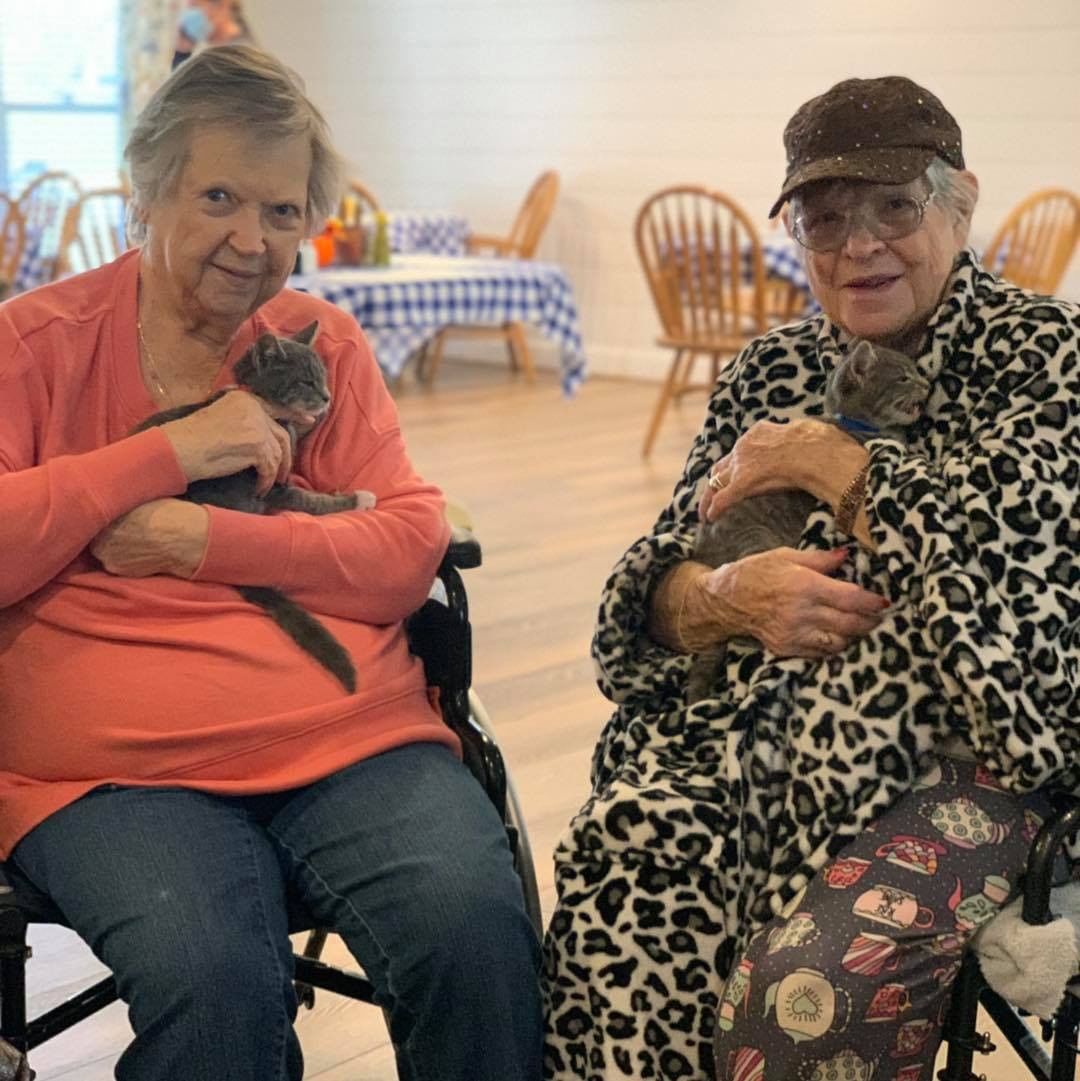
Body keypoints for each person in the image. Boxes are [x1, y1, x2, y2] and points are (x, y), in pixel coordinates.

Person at [0, 45, 542, 1081]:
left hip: (351, 740)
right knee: (215, 983)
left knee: (473, 928)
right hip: (111, 774)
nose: (252, 241)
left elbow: (401, 548)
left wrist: (201, 538)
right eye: (217, 197)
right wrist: (168, 453)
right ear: (146, 190)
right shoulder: (32, 346)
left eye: (284, 212)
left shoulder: (317, 346)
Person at [543, 75, 1078, 1081]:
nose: (859, 245)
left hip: (967, 766)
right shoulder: (769, 369)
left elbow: (1018, 611)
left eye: (894, 208)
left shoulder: (1049, 360)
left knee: (805, 998)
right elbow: (658, 584)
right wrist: (718, 599)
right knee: (620, 891)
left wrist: (841, 466)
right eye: (825, 220)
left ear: (960, 202)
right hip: (754, 742)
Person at [172, 0, 253, 69]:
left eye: (195, 6)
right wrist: (182, 52)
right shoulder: (216, 52)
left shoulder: (241, 58)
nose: (189, 14)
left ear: (223, 5)